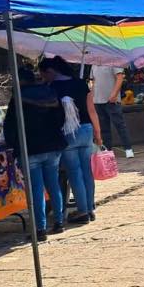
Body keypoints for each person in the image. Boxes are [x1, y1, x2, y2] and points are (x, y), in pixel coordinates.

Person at [4, 67, 66, 241]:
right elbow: (60, 118)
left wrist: (13, 145)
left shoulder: (18, 98)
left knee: (36, 190)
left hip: (30, 148)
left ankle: (40, 229)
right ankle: (59, 222)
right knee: (53, 184)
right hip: (53, 145)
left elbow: (10, 126)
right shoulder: (49, 92)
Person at [39, 56, 102, 225]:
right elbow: (92, 110)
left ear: (51, 71)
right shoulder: (81, 83)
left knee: (75, 173)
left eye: (44, 75)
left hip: (67, 133)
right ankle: (90, 208)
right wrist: (98, 133)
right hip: (86, 129)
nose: (44, 78)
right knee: (87, 172)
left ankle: (82, 211)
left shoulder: (52, 87)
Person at [91, 65, 134, 158]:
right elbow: (93, 81)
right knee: (103, 128)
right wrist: (92, 95)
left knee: (120, 125)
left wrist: (114, 94)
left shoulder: (112, 61)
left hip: (112, 100)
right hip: (97, 100)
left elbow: (120, 77)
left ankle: (128, 148)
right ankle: (108, 151)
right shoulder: (93, 64)